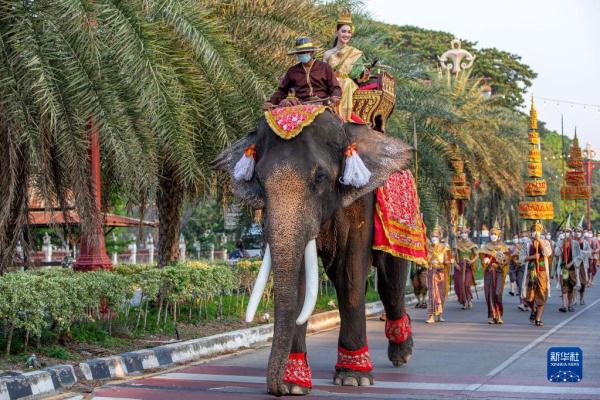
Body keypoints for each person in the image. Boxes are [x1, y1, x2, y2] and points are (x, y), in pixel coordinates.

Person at [264, 37, 341, 109]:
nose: (303, 54)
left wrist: (335, 96)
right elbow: (282, 90)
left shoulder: (324, 67)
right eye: (300, 53)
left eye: (305, 52)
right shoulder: (292, 71)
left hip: (322, 103)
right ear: (297, 54)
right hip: (300, 104)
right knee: (285, 104)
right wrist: (271, 102)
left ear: (311, 52)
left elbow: (335, 87)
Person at [323, 9, 370, 122]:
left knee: (346, 83)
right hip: (331, 85)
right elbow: (323, 75)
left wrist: (364, 75)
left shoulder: (356, 53)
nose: (346, 34)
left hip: (349, 86)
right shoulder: (327, 54)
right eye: (343, 31)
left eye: (349, 32)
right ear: (336, 32)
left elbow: (358, 79)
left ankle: (344, 120)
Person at [479, 219, 510, 324]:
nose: (493, 235)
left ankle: (499, 314)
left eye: (495, 234)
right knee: (489, 294)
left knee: (497, 293)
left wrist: (499, 263)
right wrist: (485, 261)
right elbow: (482, 259)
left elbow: (506, 260)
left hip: (499, 273)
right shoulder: (485, 247)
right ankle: (493, 316)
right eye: (491, 234)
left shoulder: (503, 247)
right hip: (489, 273)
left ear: (498, 235)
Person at [522, 221, 552, 327]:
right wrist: (532, 257)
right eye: (533, 231)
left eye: (537, 231)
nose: (535, 232)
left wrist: (540, 241)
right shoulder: (527, 244)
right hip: (530, 272)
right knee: (528, 297)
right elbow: (521, 258)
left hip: (542, 272)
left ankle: (538, 318)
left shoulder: (546, 242)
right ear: (530, 232)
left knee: (541, 294)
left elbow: (547, 253)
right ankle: (533, 309)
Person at [426, 220, 451, 323]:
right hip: (431, 272)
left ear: (440, 237)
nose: (433, 238)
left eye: (436, 236)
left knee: (440, 294)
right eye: (432, 236)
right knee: (432, 294)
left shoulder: (444, 248)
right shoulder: (428, 248)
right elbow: (425, 260)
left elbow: (447, 261)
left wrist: (446, 261)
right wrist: (429, 261)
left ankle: (440, 315)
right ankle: (431, 316)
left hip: (441, 273)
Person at [556, 216, 581, 312]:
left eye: (568, 231)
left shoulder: (575, 243)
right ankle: (564, 305)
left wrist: (571, 263)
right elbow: (557, 254)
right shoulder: (560, 242)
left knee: (571, 286)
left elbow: (579, 256)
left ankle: (570, 304)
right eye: (565, 231)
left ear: (571, 233)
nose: (566, 233)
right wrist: (561, 246)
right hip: (563, 268)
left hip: (572, 268)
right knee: (564, 286)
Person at [454, 219, 478, 310]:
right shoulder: (457, 244)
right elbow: (453, 257)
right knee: (460, 284)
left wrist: (471, 261)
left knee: (467, 284)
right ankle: (464, 302)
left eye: (465, 232)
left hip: (467, 267)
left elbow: (477, 255)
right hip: (459, 267)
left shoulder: (471, 244)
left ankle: (469, 300)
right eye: (462, 232)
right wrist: (455, 264)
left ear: (467, 234)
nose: (463, 234)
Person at [574, 220, 590, 305]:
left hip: (583, 265)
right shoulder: (572, 242)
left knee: (583, 283)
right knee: (574, 282)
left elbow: (589, 252)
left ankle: (582, 298)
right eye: (576, 231)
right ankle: (574, 299)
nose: (577, 233)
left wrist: (582, 252)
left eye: (579, 231)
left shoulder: (585, 243)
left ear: (582, 233)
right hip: (574, 265)